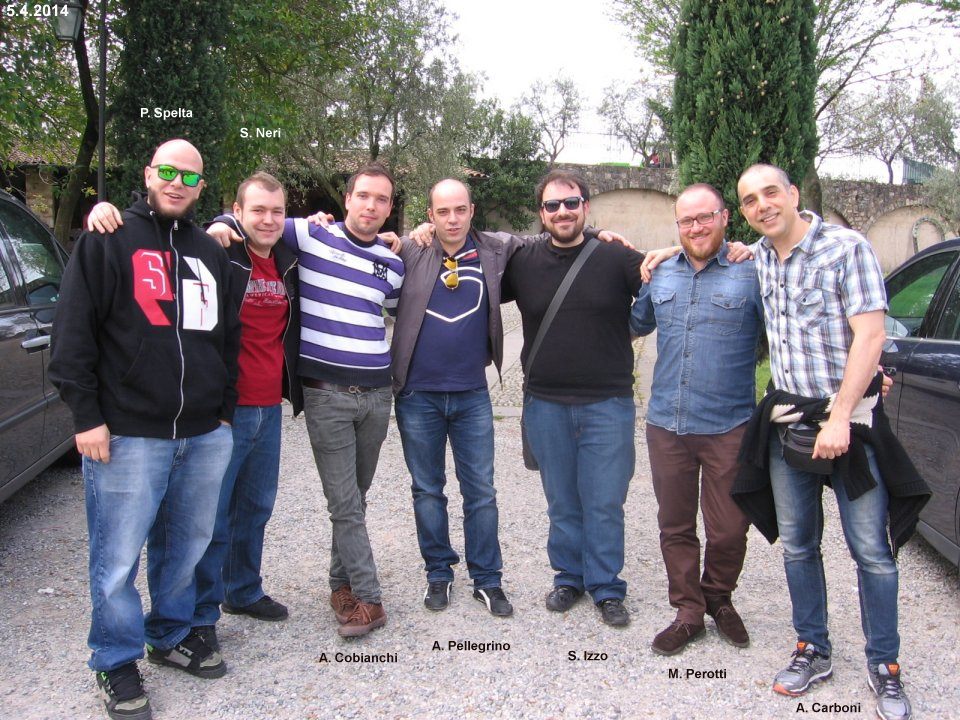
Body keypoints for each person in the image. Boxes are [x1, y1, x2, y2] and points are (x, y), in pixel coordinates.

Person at [49, 139, 239, 720]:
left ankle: (170, 634)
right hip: (128, 433)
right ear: (149, 173)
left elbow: (225, 338)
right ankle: (114, 658)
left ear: (202, 186)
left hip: (202, 433)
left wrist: (223, 411)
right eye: (168, 171)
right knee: (117, 558)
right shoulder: (107, 240)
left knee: (185, 548)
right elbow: (72, 334)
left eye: (191, 176)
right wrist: (87, 417)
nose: (178, 183)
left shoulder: (209, 251)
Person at [733, 163, 928, 720]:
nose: (763, 205)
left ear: (793, 194)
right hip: (788, 424)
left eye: (771, 192)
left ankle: (884, 665)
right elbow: (702, 246)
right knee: (798, 544)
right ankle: (812, 647)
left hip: (851, 424)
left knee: (872, 551)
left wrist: (840, 416)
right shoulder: (759, 256)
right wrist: (659, 252)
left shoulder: (847, 248)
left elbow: (871, 334)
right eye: (750, 200)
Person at [87, 171, 302, 650]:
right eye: (257, 210)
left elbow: (333, 229)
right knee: (210, 520)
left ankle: (243, 589)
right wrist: (104, 209)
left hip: (268, 405)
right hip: (223, 409)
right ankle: (202, 613)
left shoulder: (289, 259)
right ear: (237, 212)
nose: (268, 220)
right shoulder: (221, 250)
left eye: (277, 211)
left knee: (255, 508)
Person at [208, 163, 404, 638]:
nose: (371, 206)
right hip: (326, 395)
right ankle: (369, 597)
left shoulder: (394, 263)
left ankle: (340, 584)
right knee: (344, 502)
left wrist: (411, 237)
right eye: (363, 196)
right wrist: (220, 223)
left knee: (355, 497)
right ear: (347, 199)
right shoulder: (310, 235)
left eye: (381, 199)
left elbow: (401, 313)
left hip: (377, 396)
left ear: (389, 208)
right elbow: (257, 218)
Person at [503, 169, 642, 627]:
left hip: (608, 404)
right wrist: (420, 236)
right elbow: (470, 259)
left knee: (604, 502)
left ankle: (606, 586)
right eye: (552, 205)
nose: (562, 211)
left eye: (571, 202)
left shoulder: (616, 256)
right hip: (546, 404)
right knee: (562, 500)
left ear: (586, 206)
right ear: (541, 213)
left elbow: (669, 277)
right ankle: (568, 577)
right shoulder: (522, 261)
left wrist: (737, 251)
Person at [630, 183, 760, 655]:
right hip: (667, 423)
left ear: (725, 218)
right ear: (677, 225)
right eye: (686, 220)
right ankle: (688, 611)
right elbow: (633, 324)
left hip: (730, 426)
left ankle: (718, 596)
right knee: (675, 524)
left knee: (729, 528)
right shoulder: (661, 272)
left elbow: (787, 333)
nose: (696, 227)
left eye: (705, 217)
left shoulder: (753, 272)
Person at [389, 178, 518, 616]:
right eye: (442, 212)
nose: (452, 219)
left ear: (472, 210)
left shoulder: (493, 250)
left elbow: (545, 239)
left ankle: (488, 579)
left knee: (481, 491)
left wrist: (597, 233)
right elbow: (365, 240)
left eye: (460, 209)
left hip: (471, 394)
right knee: (427, 490)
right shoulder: (412, 250)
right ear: (430, 215)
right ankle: (438, 573)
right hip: (417, 395)